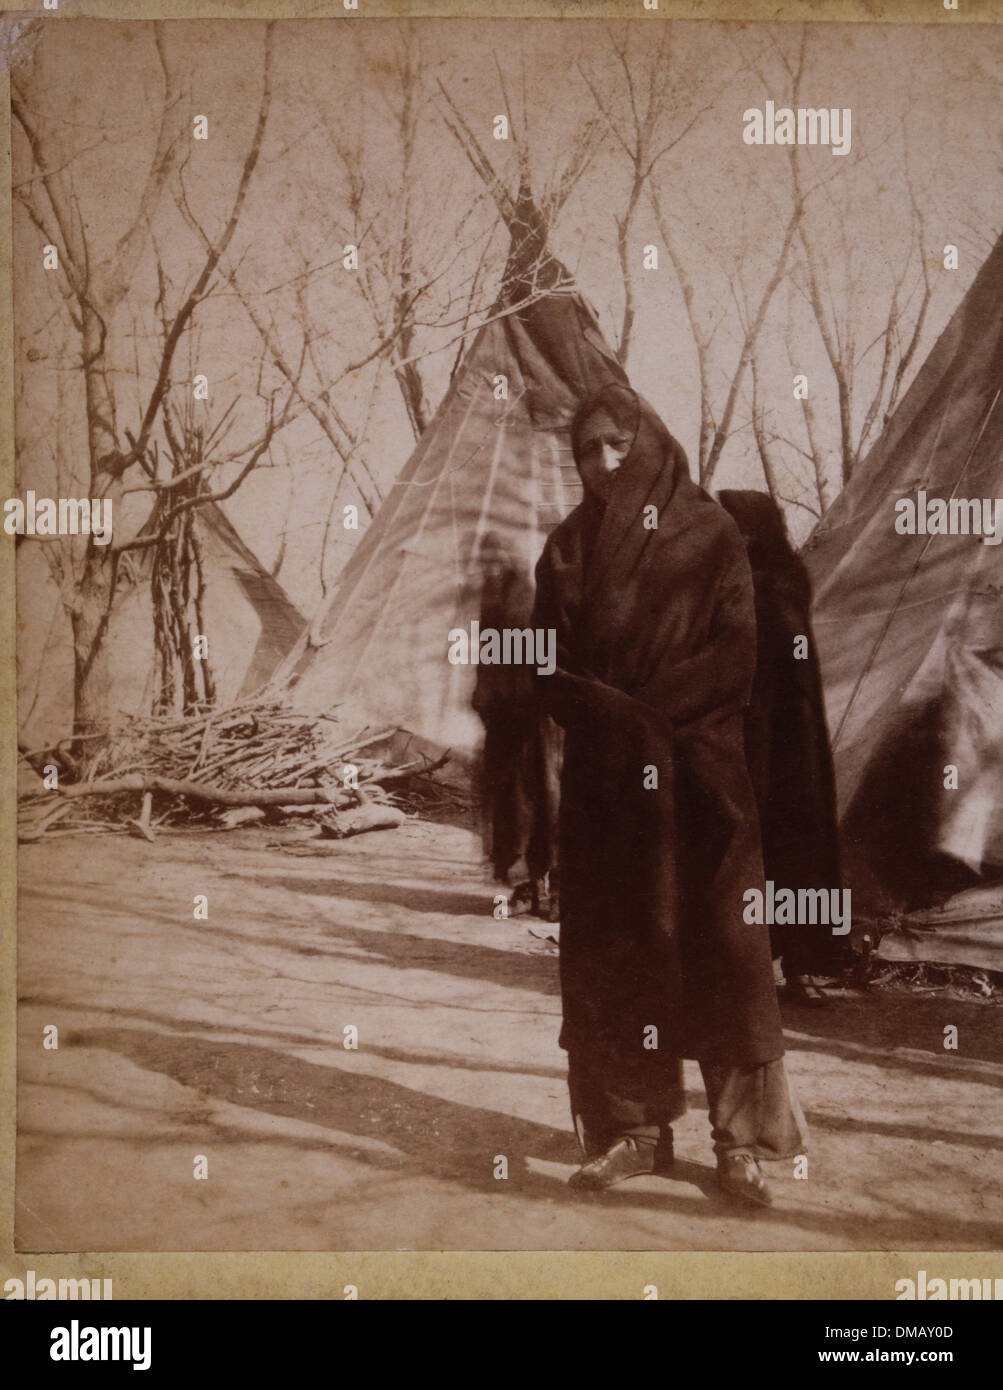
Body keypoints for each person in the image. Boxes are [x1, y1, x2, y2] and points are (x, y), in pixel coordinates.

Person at [532, 382, 806, 1206]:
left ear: (648, 442)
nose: (603, 460)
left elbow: (736, 654)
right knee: (618, 957)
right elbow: (545, 668)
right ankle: (632, 1133)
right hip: (609, 791)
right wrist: (616, 722)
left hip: (701, 782)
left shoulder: (709, 533)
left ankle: (739, 1146)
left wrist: (650, 717)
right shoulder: (566, 550)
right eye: (588, 448)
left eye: (617, 443)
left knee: (725, 957)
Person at [718, 490, 847, 1006]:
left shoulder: (771, 582)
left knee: (781, 847)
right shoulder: (764, 577)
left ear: (752, 531)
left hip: (779, 736)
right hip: (773, 733)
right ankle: (775, 968)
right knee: (773, 848)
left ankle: (791, 966)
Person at [472, 531, 561, 919]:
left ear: (510, 560)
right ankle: (526, 887)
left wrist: (532, 703)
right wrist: (485, 696)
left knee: (543, 801)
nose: (490, 567)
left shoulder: (528, 598)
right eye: (485, 560)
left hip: (534, 719)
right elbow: (487, 660)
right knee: (512, 805)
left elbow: (544, 659)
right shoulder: (491, 601)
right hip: (504, 719)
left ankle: (553, 889)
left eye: (497, 559)